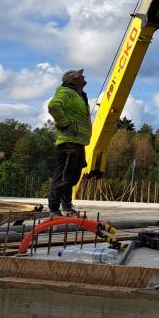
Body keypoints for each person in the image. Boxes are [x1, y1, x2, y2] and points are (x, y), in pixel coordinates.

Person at [47, 69, 92, 217]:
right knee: (63, 176)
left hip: (77, 141)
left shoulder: (78, 95)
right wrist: (64, 124)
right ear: (73, 81)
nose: (83, 77)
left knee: (72, 178)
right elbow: (54, 106)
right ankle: (54, 208)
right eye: (80, 76)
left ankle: (66, 206)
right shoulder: (66, 92)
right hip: (68, 142)